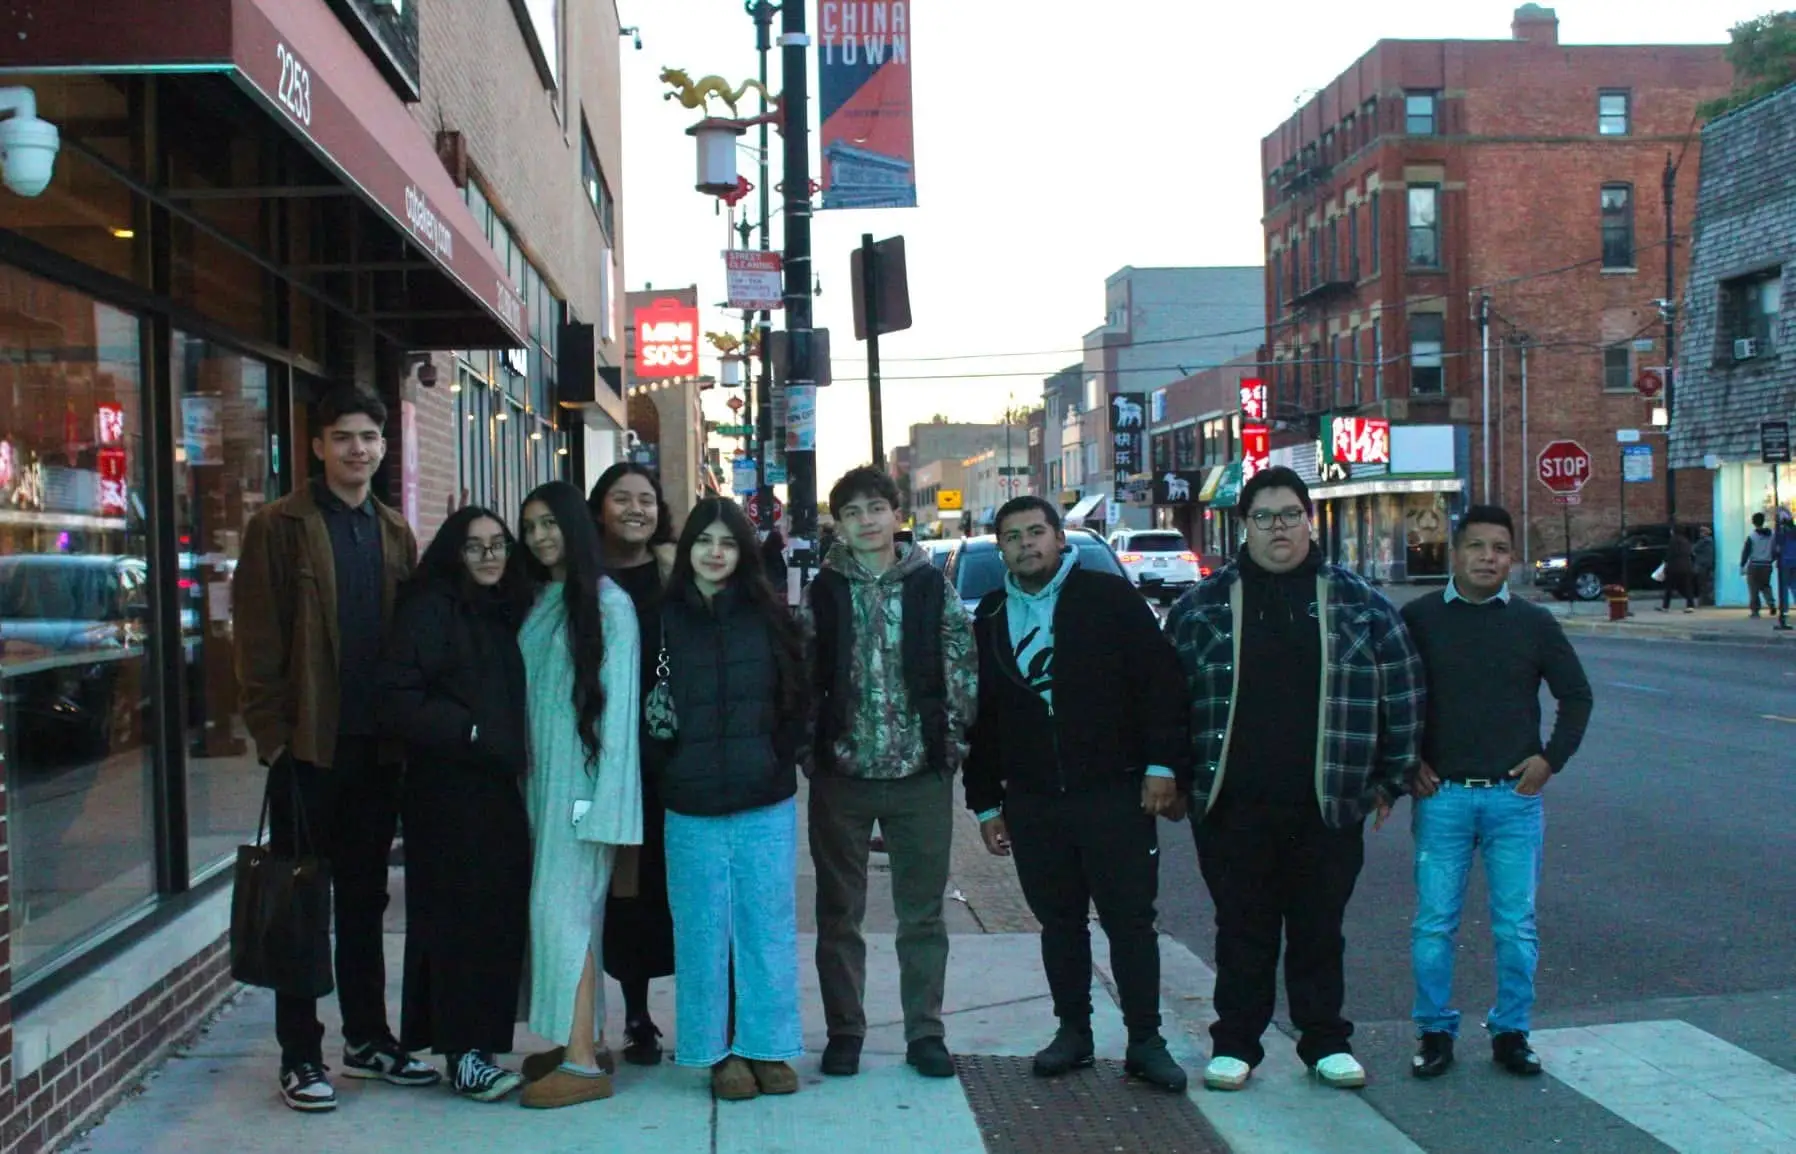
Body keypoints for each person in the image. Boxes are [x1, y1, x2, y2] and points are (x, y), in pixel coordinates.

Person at [1164, 466, 1424, 1094]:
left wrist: (1390, 780)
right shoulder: (1200, 609)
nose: (1277, 528)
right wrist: (1173, 779)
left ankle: (1325, 1041)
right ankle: (1236, 1044)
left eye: (1289, 515)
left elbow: (1405, 688)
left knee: (1318, 927)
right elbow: (1164, 698)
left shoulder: (1361, 605)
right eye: (1263, 517)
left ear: (1309, 520)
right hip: (1231, 803)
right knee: (1241, 928)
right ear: (1243, 526)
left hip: (1328, 801)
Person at [232, 386, 437, 1112]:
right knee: (299, 903)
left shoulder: (391, 531)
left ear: (383, 448)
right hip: (307, 752)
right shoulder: (279, 527)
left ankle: (368, 1038)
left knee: (363, 900)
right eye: (344, 437)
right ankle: (299, 1055)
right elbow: (256, 641)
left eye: (369, 438)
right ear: (318, 446)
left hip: (375, 752)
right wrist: (274, 740)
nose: (358, 449)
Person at [964, 496, 1189, 1092]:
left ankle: (1146, 1040)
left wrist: (1163, 766)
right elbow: (980, 719)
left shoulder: (1108, 598)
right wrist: (986, 802)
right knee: (1059, 923)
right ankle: (1074, 1033)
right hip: (1035, 802)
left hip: (1113, 794)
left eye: (1036, 532)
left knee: (1130, 922)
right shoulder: (988, 616)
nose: (1026, 544)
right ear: (1001, 548)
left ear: (1059, 538)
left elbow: (1160, 682)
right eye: (1012, 536)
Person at [1401, 505, 1593, 1080]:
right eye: (1478, 546)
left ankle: (1512, 1032)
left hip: (1514, 800)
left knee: (1516, 924)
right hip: (1443, 799)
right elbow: (1390, 696)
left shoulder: (1534, 623)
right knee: (1435, 923)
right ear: (1455, 553)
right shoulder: (1419, 619)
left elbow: (1576, 697)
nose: (1489, 557)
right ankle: (1434, 1031)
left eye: (1501, 548)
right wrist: (1407, 760)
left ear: (1512, 557)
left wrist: (1549, 759)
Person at [803, 466, 978, 1080]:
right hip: (841, 775)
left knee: (922, 913)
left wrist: (950, 745)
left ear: (897, 514)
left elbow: (962, 662)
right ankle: (845, 1030)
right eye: (852, 512)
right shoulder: (823, 590)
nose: (866, 521)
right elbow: (801, 674)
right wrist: (810, 752)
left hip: (919, 775)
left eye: (876, 508)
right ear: (840, 524)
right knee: (838, 911)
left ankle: (924, 1032)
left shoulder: (930, 585)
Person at [377, 507, 534, 1102]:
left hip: (496, 789)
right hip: (445, 792)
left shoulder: (507, 607)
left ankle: (482, 1048)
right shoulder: (431, 608)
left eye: (499, 545)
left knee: (494, 920)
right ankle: (463, 1053)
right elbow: (397, 695)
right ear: (453, 553)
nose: (490, 557)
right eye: (476, 547)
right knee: (456, 923)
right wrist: (469, 732)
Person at [658, 498, 810, 1101]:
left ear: (743, 551)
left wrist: (778, 758)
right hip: (689, 802)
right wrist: (666, 766)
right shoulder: (663, 619)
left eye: (726, 541)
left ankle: (766, 1047)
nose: (714, 552)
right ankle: (716, 1052)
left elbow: (797, 699)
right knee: (701, 931)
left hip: (763, 798)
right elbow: (645, 700)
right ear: (688, 548)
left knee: (766, 927)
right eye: (703, 540)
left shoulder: (770, 617)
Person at [515, 481, 643, 1109]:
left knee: (560, 916)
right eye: (530, 526)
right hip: (545, 786)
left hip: (583, 793)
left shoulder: (609, 605)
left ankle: (583, 1065)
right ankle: (581, 1039)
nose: (540, 537)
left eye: (550, 524)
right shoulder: (548, 598)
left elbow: (619, 716)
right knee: (571, 919)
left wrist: (609, 808)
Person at [586, 464, 678, 1065]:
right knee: (626, 891)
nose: (636, 509)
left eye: (646, 499)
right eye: (622, 499)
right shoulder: (580, 579)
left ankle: (695, 1011)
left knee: (679, 885)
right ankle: (636, 1014)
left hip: (672, 752)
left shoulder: (676, 571)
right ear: (599, 510)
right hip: (609, 756)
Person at [1742, 512, 1777, 618]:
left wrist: (1742, 565)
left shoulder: (1752, 537)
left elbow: (1746, 552)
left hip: (1754, 565)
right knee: (1766, 586)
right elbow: (1775, 550)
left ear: (1753, 522)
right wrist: (1771, 559)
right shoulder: (1771, 535)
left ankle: (1755, 611)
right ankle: (1771, 603)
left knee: (1753, 588)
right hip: (1767, 565)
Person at [1658, 527, 1696, 613]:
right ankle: (1690, 606)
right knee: (1687, 587)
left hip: (1674, 567)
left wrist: (1665, 561)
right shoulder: (1686, 541)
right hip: (1687, 566)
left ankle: (1665, 606)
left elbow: (1670, 553)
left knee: (1669, 588)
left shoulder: (1673, 541)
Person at [1776, 509, 1796, 631]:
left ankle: (1784, 613)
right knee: (1794, 587)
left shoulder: (1781, 532)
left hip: (1785, 562)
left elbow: (1777, 548)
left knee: (1783, 590)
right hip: (1794, 562)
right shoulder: (1794, 531)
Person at [761, 527, 790, 606]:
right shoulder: (783, 551)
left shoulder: (762, 550)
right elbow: (785, 568)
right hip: (780, 584)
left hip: (766, 581)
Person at [1692, 526, 1716, 605]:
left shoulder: (1703, 541)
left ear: (1705, 533)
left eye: (1701, 532)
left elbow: (1693, 549)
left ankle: (1703, 601)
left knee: (1702, 584)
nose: (1700, 533)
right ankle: (1708, 600)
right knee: (1708, 584)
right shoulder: (1711, 541)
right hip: (1709, 564)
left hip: (1702, 565)